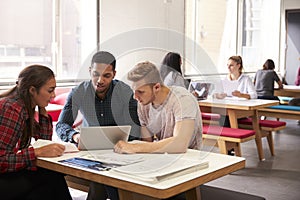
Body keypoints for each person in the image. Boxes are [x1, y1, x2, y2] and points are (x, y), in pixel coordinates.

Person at [55, 51, 140, 200]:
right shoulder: (79, 92)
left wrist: (126, 141)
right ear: (90, 71)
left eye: (106, 76)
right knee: (101, 176)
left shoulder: (125, 92)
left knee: (103, 178)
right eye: (95, 74)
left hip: (120, 153)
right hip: (89, 152)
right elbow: (61, 124)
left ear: (114, 74)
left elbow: (135, 127)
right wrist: (75, 135)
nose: (99, 80)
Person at [0, 65, 72, 200]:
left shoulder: (26, 106)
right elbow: (1, 160)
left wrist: (42, 110)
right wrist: (36, 153)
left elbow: (43, 141)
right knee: (52, 178)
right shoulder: (11, 109)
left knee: (44, 190)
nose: (54, 95)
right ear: (32, 90)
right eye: (50, 90)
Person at [114, 61, 202, 154]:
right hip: (163, 156)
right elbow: (147, 142)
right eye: (134, 91)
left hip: (189, 158)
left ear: (156, 87)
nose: (135, 97)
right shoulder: (143, 104)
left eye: (140, 92)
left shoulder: (183, 99)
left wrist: (136, 147)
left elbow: (180, 143)